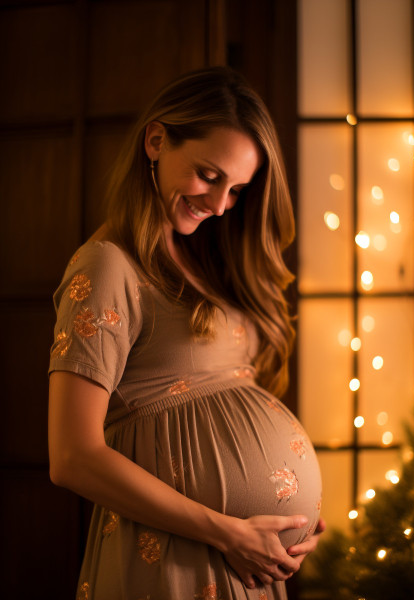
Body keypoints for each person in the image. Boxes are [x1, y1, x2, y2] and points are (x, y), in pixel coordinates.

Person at [48, 66, 323, 600]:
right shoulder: (107, 267)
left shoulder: (205, 260)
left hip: (245, 561)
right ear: (156, 140)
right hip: (174, 562)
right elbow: (72, 456)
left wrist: (290, 523)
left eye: (238, 189)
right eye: (208, 174)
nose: (220, 204)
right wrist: (231, 530)